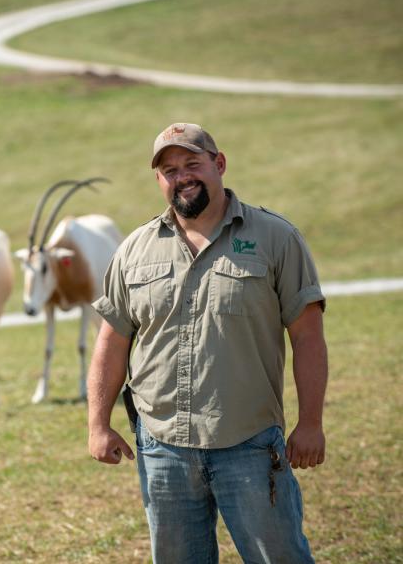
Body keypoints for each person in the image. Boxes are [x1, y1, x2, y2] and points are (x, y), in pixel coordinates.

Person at [87, 122, 328, 563]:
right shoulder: (134, 250)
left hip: (249, 445)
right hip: (162, 449)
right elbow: (112, 341)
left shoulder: (276, 238)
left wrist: (310, 423)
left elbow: (308, 336)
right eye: (170, 170)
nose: (182, 176)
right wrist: (97, 423)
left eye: (192, 163)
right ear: (159, 180)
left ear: (219, 164)